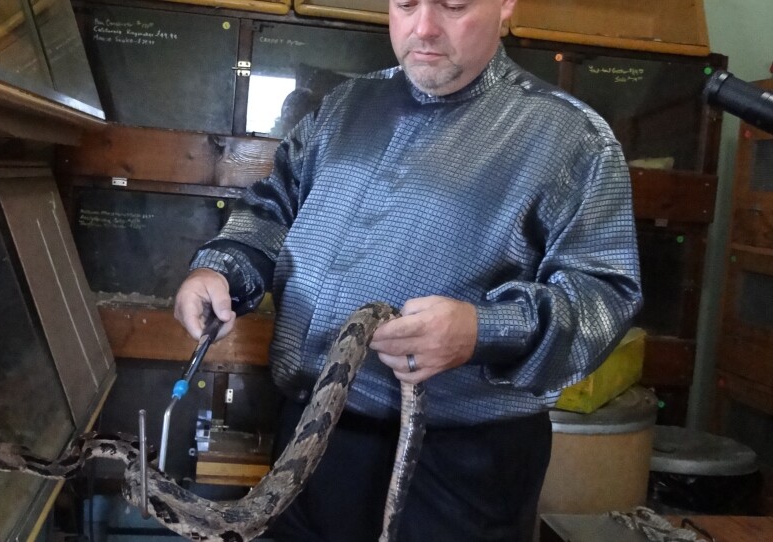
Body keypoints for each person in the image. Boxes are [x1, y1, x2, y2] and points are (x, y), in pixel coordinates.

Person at [174, 0, 643, 540]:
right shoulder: (344, 107)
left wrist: (480, 331)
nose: (423, 26)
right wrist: (221, 268)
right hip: (305, 444)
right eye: (406, 3)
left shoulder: (571, 140)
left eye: (454, 4)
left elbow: (603, 297)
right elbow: (274, 208)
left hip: (457, 471)